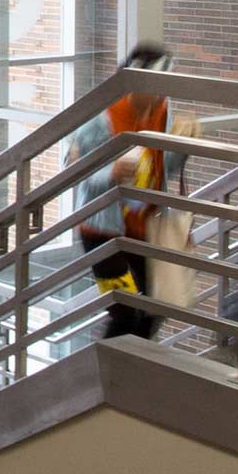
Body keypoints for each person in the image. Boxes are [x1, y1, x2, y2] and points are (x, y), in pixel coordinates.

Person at [66, 43, 198, 340]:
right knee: (124, 310)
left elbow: (163, 170)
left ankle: (129, 372)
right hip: (102, 233)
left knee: (156, 305)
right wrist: (109, 173)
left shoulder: (161, 113)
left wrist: (183, 146)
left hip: (144, 229)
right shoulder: (103, 120)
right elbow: (74, 171)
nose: (160, 93)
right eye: (156, 84)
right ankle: (107, 376)